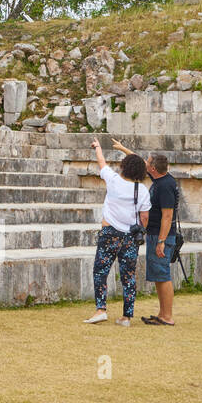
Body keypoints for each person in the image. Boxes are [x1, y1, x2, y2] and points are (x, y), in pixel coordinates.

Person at [83, 137, 151, 327]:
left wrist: (97, 147)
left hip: (110, 233)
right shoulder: (142, 190)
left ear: (123, 167)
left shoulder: (113, 180)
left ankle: (101, 309)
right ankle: (127, 316)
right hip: (130, 237)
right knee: (128, 276)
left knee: (100, 271)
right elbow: (144, 217)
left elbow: (101, 162)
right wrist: (141, 231)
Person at [113, 139, 179, 326]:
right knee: (159, 275)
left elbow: (167, 216)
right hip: (156, 234)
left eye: (148, 163)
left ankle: (167, 316)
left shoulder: (165, 186)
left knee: (163, 275)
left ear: (153, 169)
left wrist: (161, 241)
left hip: (161, 235)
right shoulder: (160, 178)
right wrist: (123, 148)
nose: (145, 164)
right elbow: (139, 162)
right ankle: (162, 314)